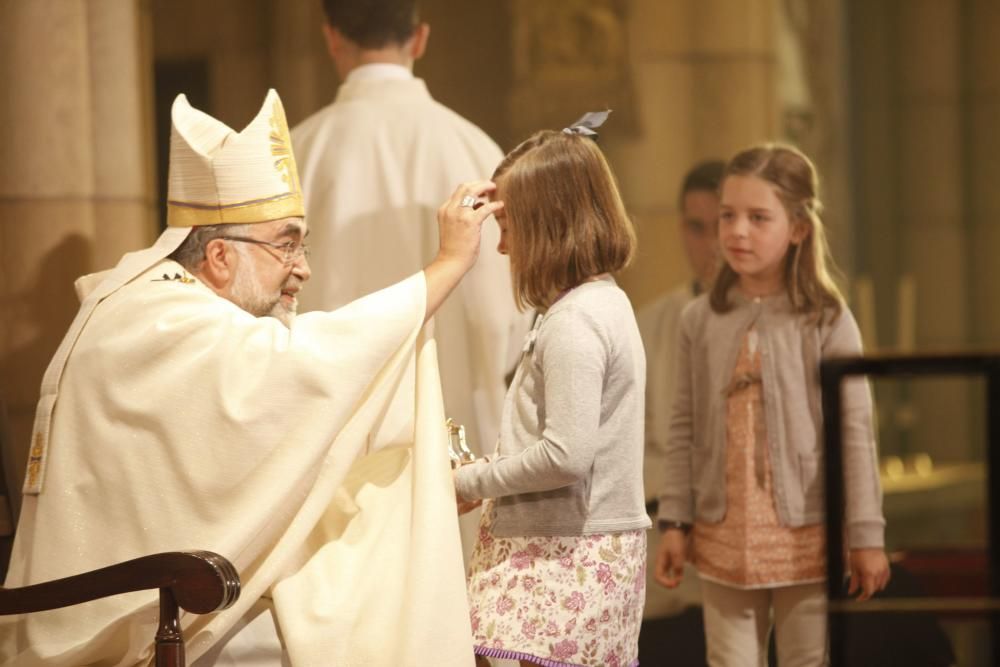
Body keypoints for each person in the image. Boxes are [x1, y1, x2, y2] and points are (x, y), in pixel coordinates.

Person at [1, 89, 497, 666]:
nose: (303, 268)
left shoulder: (165, 307)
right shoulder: (155, 325)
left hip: (168, 584)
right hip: (131, 611)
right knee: (345, 615)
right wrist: (447, 265)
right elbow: (300, 366)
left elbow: (251, 443)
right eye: (286, 245)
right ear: (219, 257)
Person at [654, 144, 891, 666]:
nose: (738, 231)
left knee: (808, 661)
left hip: (806, 531)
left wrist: (865, 535)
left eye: (758, 218)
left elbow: (854, 431)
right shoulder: (701, 318)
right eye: (728, 217)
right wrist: (675, 520)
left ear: (799, 227)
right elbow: (683, 424)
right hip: (722, 532)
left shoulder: (827, 319)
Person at [291, 0, 528, 473]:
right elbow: (508, 316)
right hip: (455, 419)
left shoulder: (297, 153)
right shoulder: (473, 146)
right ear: (419, 38)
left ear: (331, 38)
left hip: (330, 425)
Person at [453, 124, 650, 667]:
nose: (502, 245)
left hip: (566, 554)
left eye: (511, 226)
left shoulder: (576, 320)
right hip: (564, 547)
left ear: (549, 225)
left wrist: (469, 480)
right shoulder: (592, 305)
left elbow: (565, 455)